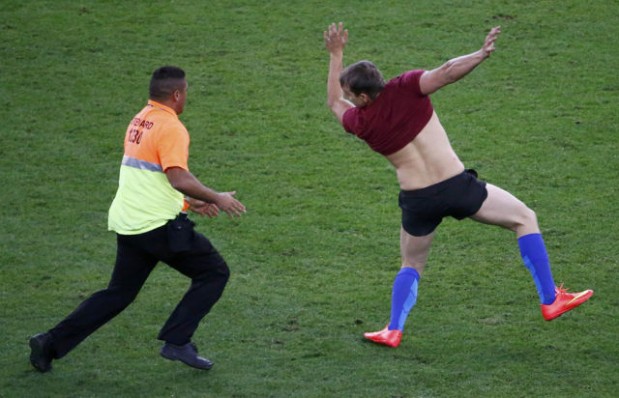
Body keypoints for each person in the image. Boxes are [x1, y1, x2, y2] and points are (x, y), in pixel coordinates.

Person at [323, 23, 593, 348]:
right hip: (456, 188)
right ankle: (550, 299)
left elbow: (334, 103)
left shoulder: (361, 122)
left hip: (417, 200)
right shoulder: (407, 86)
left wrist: (336, 54)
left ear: (363, 98)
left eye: (352, 94)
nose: (349, 99)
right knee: (525, 218)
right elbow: (449, 71)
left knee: (411, 264)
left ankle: (393, 329)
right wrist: (480, 54)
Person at [29, 66, 246, 371]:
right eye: (186, 93)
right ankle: (177, 340)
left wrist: (188, 202)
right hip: (156, 226)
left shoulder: (140, 119)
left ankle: (48, 343)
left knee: (118, 294)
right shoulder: (171, 127)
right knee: (214, 272)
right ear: (177, 94)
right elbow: (177, 176)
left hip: (130, 222)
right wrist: (216, 197)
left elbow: (149, 177)